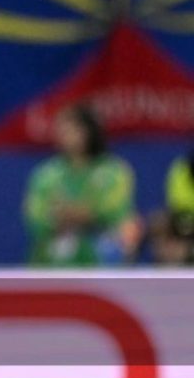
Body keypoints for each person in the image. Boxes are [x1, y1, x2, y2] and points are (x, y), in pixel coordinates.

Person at [24, 105, 136, 265]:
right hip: (53, 257)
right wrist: (60, 218)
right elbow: (35, 217)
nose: (63, 135)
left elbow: (115, 212)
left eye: (71, 129)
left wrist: (81, 214)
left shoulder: (115, 171)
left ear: (89, 131)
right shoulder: (46, 174)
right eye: (61, 130)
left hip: (100, 255)